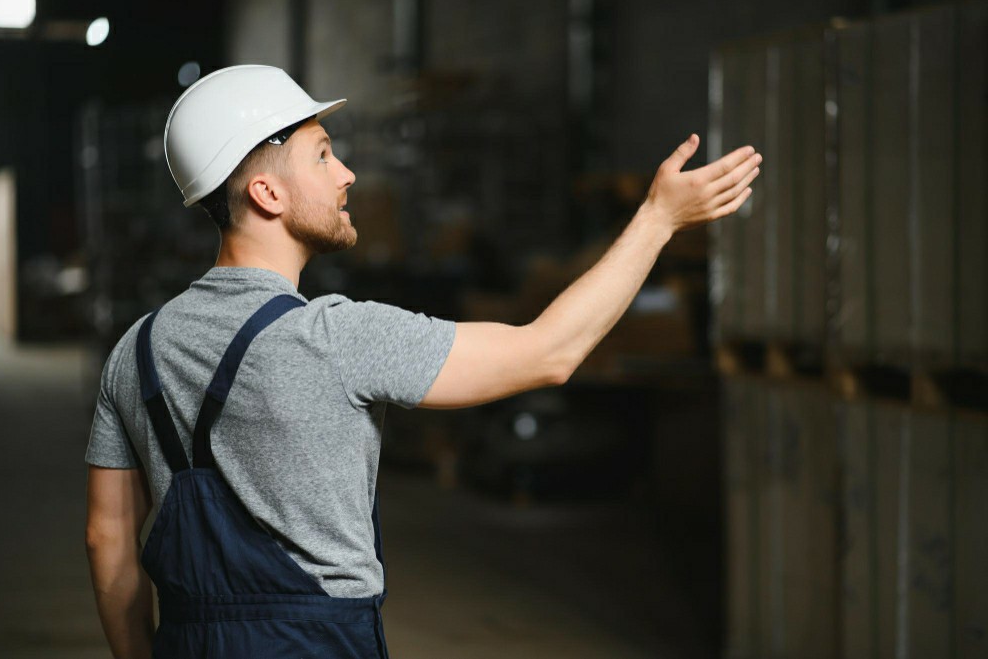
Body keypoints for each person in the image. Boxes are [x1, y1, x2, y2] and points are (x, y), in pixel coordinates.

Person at [84, 64, 762, 658]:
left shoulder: (135, 350)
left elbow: (107, 541)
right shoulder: (335, 337)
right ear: (268, 194)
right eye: (323, 156)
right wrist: (657, 220)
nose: (347, 173)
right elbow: (550, 352)